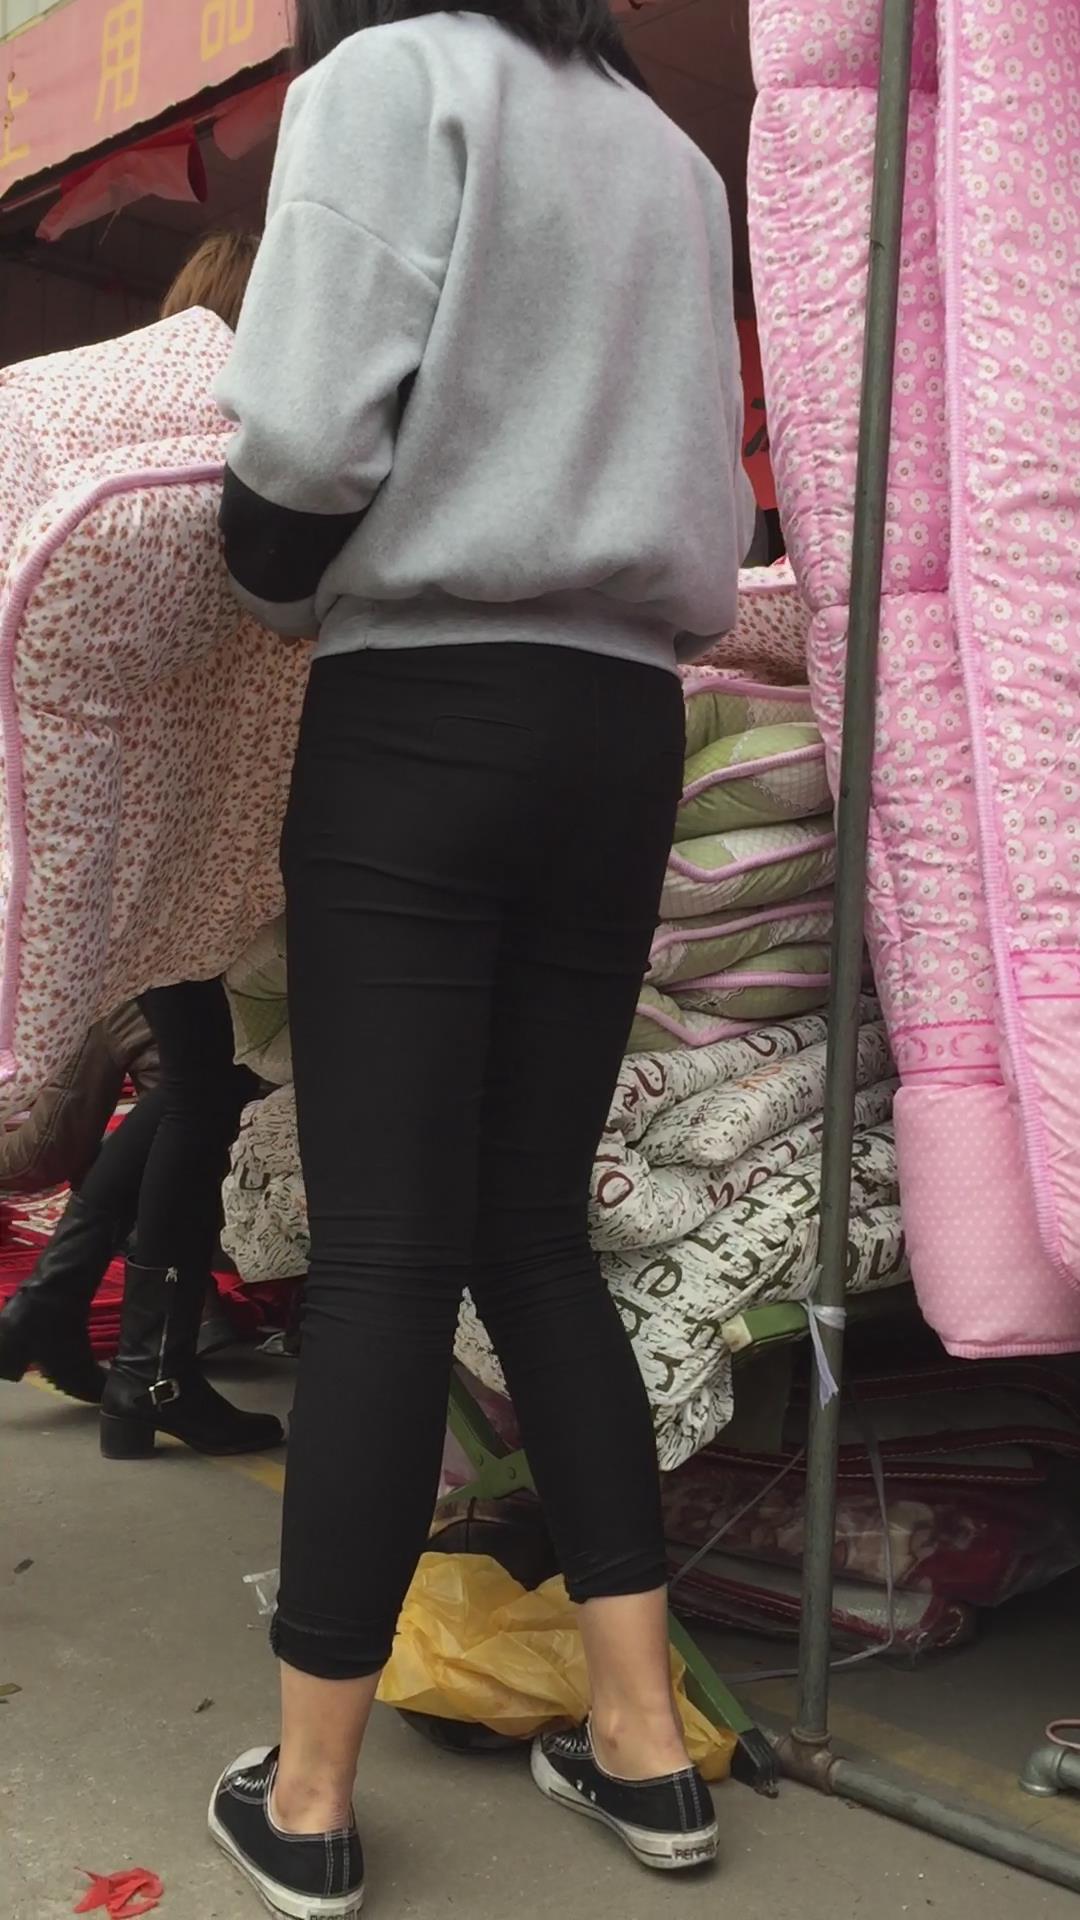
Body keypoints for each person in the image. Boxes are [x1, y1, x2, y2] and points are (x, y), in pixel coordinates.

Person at [208, 3, 755, 1912]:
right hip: (622, 722)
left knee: (384, 1250)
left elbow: (299, 434)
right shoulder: (672, 155)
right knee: (533, 1235)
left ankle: (310, 1799)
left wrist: (263, 573)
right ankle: (646, 1746)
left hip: (426, 704)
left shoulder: (392, 79)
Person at [0, 232, 282, 1461]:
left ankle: (67, 1319)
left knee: (195, 1076)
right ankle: (141, 1367)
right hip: (152, 820)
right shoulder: (226, 439)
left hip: (102, 816)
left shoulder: (91, 410)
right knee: (205, 1081)